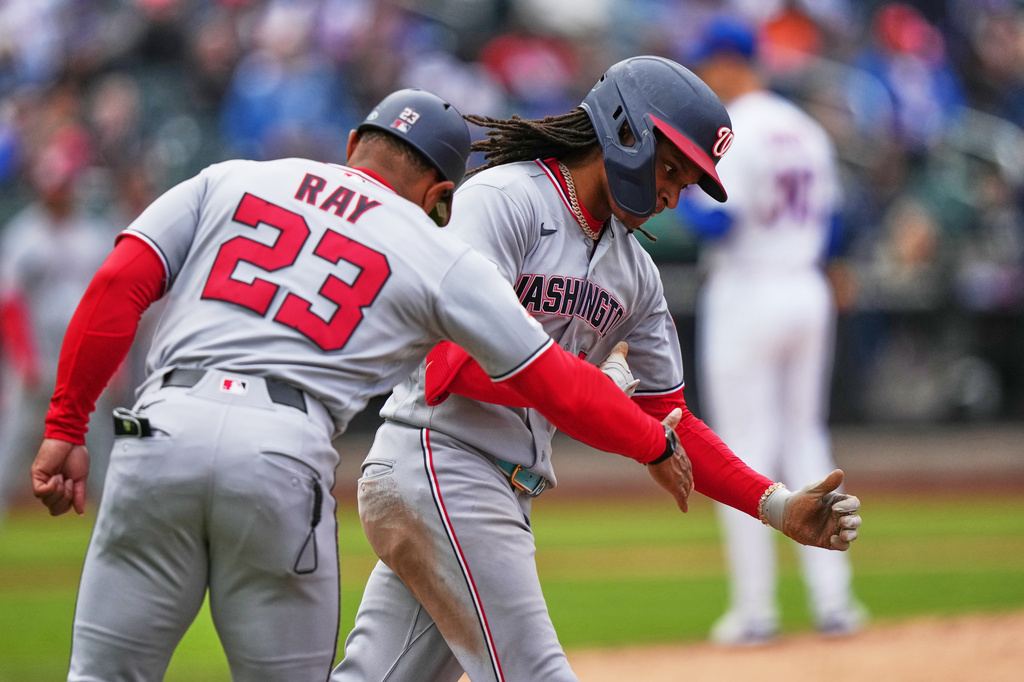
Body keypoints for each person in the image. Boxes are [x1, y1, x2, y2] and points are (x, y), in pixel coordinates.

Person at [29, 88, 695, 682]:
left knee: (100, 673)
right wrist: (653, 443)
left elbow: (120, 284)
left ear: (352, 144)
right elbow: (553, 380)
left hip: (157, 427)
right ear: (441, 198)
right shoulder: (434, 250)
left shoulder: (232, 178)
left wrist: (65, 427)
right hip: (279, 448)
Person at [333, 56, 863, 682]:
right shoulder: (507, 198)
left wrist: (776, 505)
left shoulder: (636, 275)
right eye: (671, 167)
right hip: (442, 462)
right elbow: (462, 366)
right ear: (626, 130)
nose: (671, 193)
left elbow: (672, 424)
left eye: (686, 182)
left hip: (483, 486)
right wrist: (611, 401)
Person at [680, 18, 867, 644]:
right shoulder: (803, 126)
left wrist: (673, 189)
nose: (705, 78)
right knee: (806, 440)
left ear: (731, 63)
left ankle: (756, 610)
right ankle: (835, 600)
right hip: (804, 283)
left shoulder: (739, 128)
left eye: (709, 65)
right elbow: (839, 223)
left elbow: (716, 226)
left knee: (743, 451)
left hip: (749, 289)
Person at [0, 124, 117, 527]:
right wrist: (24, 359)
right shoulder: (24, 234)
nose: (60, 190)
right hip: (39, 353)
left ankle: (106, 513)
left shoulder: (95, 234)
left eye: (65, 183)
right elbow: (9, 304)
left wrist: (113, 362)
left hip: (85, 353)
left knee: (98, 431)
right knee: (16, 434)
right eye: (55, 183)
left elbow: (111, 303)